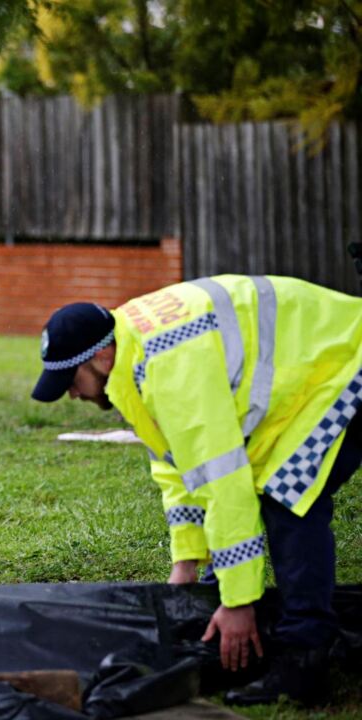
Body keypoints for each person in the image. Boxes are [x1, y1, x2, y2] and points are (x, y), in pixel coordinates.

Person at [31, 275, 362, 706]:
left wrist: (239, 601)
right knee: (272, 493)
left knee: (287, 498)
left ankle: (304, 661)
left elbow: (223, 484)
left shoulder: (171, 371)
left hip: (343, 363)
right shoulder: (134, 360)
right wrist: (187, 563)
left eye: (72, 380)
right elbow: (177, 470)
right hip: (309, 374)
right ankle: (248, 627)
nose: (72, 394)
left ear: (103, 357)